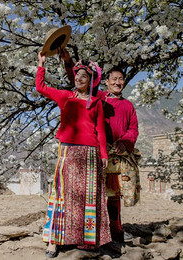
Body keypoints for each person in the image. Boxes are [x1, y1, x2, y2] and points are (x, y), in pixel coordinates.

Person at [36, 51, 112, 258]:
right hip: (68, 151)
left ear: (90, 81)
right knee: (61, 194)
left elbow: (100, 130)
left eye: (83, 76)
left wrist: (103, 154)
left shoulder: (96, 102)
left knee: (88, 197)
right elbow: (40, 87)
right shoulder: (65, 97)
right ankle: (54, 240)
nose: (79, 78)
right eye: (77, 75)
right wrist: (41, 65)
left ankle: (86, 241)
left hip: (90, 153)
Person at [60, 49, 140, 245]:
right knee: (92, 193)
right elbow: (78, 78)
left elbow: (133, 129)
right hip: (96, 152)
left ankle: (116, 229)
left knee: (114, 195)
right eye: (113, 79)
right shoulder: (97, 97)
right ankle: (88, 233)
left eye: (121, 79)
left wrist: (125, 142)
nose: (117, 83)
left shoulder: (128, 106)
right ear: (106, 82)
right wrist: (68, 61)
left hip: (117, 155)